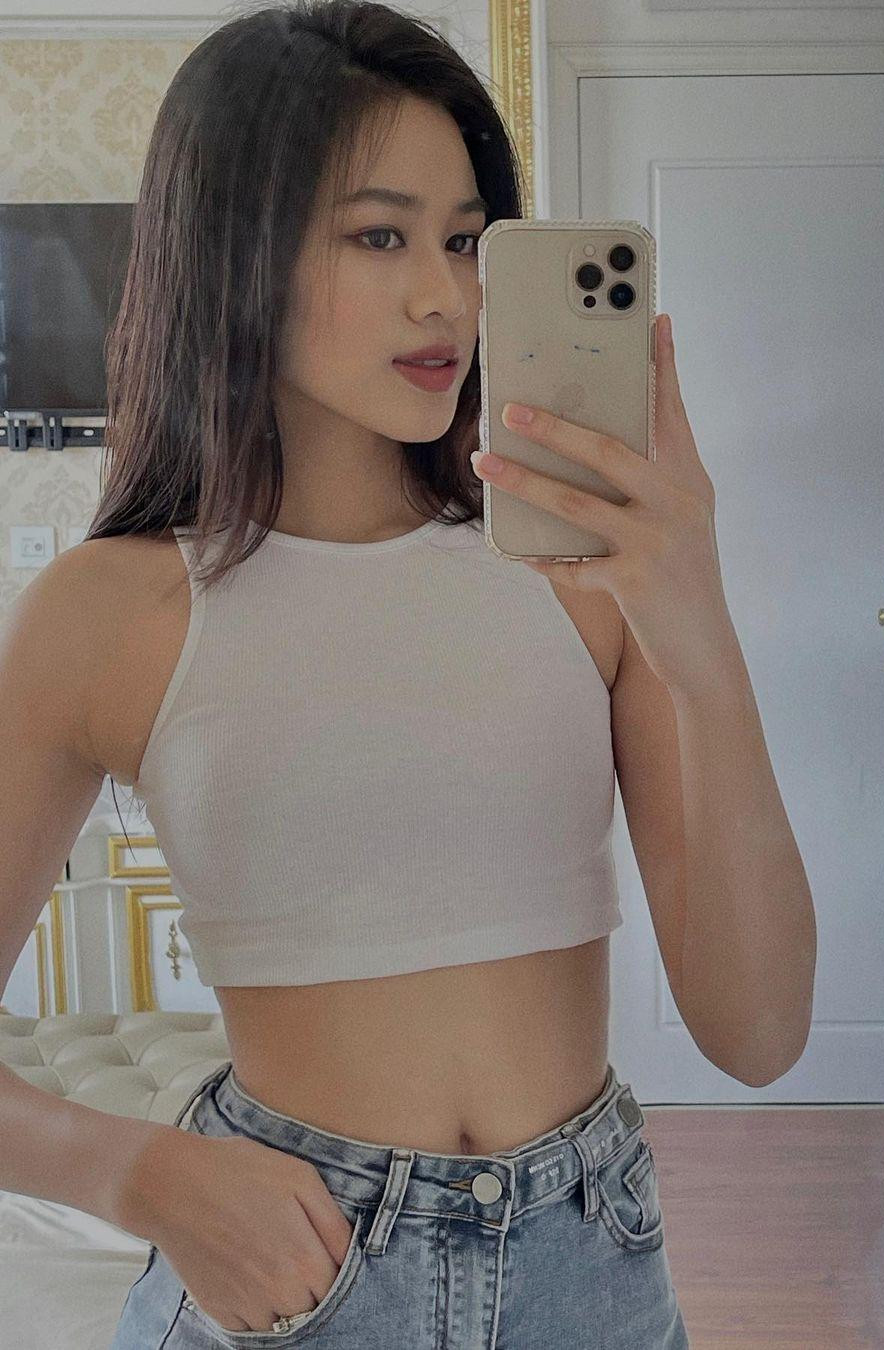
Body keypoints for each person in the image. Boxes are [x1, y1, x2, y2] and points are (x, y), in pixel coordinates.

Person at [0, 2, 707, 1344]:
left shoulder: (583, 577)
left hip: (593, 1262)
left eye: (465, 240)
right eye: (380, 236)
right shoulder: (109, 611)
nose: (447, 296)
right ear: (236, 255)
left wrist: (703, 616)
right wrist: (142, 1174)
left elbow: (761, 1029)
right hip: (292, 1279)